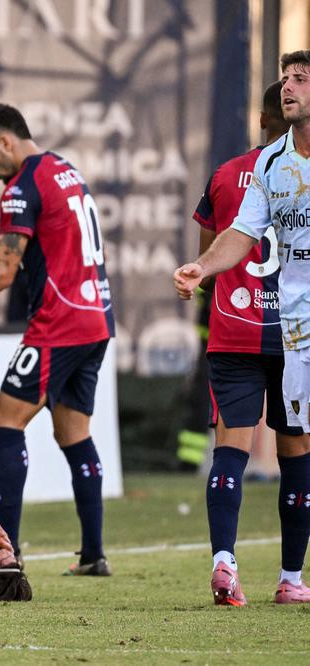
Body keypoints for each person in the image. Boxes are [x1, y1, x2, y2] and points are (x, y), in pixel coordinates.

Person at [0, 103, 115, 576]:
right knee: (73, 432)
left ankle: (6, 552)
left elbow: (3, 274)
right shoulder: (65, 169)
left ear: (6, 142)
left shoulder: (22, 185)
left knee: (4, 422)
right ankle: (93, 554)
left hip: (59, 323)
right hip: (97, 319)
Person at [174, 51, 310, 605]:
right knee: (295, 448)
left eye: (301, 78)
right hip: (275, 331)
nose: (288, 86)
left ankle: (278, 577)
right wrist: (203, 266)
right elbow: (241, 232)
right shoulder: (272, 165)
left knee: (245, 446)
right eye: (285, 78)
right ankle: (275, 577)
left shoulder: (234, 168)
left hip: (284, 330)